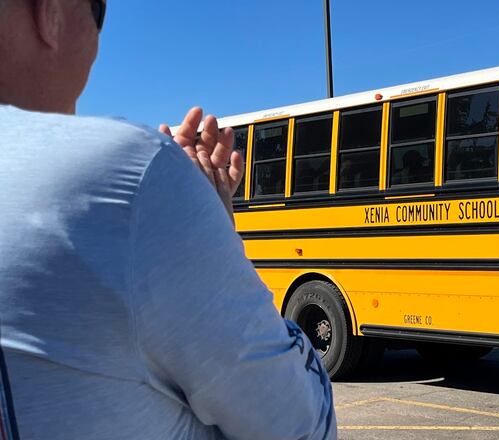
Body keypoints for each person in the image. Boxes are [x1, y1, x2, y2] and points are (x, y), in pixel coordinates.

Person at [0, 0, 336, 439]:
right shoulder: (129, 177)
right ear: (51, 12)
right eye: (97, 10)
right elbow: (299, 424)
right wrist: (207, 219)